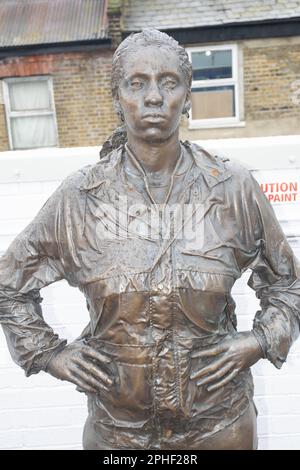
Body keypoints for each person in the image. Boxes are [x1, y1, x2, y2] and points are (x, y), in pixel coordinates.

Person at [0, 28, 299, 450]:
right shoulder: (78, 199)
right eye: (136, 84)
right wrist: (49, 353)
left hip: (220, 426)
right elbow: (8, 284)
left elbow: (289, 282)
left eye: (169, 82)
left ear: (188, 95)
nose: (154, 97)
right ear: (117, 99)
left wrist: (261, 340)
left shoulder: (234, 189)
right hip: (118, 435)